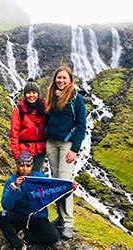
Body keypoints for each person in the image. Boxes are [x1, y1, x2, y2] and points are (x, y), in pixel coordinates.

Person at [44, 65, 87, 239]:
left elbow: (82, 125)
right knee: (57, 183)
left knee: (65, 182)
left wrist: (75, 149)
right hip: (51, 143)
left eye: (64, 78)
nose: (61, 81)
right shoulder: (52, 96)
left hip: (67, 145)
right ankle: (61, 218)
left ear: (70, 80)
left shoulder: (76, 98)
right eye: (58, 78)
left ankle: (68, 223)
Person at [0, 150, 60, 250]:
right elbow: (6, 206)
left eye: (28, 166)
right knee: (2, 215)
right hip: (19, 216)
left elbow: (56, 192)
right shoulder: (11, 180)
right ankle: (18, 245)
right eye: (22, 166)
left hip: (38, 218)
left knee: (54, 236)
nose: (25, 169)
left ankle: (26, 236)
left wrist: (69, 189)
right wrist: (14, 188)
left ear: (32, 166)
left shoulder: (40, 178)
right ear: (17, 166)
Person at [10, 79, 48, 172]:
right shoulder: (18, 111)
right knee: (23, 177)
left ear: (38, 94)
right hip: (24, 150)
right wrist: (16, 154)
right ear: (25, 95)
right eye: (28, 93)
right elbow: (14, 134)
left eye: (34, 92)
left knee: (37, 177)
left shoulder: (45, 109)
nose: (31, 95)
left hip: (40, 150)